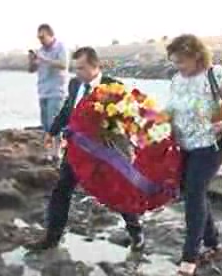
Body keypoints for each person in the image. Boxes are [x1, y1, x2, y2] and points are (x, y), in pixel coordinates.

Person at [25, 47, 145, 251]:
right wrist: (52, 131)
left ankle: (136, 232)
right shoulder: (75, 84)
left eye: (81, 68)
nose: (77, 72)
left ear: (95, 66)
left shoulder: (114, 87)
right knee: (61, 190)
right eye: (75, 68)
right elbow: (67, 109)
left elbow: (128, 118)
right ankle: (51, 238)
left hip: (104, 151)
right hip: (77, 149)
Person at [165, 34, 222, 276]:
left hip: (211, 144)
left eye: (181, 61)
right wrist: (148, 120)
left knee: (194, 192)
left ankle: (189, 257)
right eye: (174, 62)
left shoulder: (216, 74)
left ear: (196, 56)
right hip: (185, 145)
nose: (177, 66)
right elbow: (171, 109)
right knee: (192, 191)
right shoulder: (176, 79)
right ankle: (213, 243)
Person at [28, 24, 70, 164]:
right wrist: (32, 61)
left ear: (50, 35)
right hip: (43, 91)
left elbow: (64, 65)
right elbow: (31, 70)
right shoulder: (40, 50)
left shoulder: (61, 47)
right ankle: (48, 152)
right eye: (38, 37)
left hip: (57, 91)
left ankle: (57, 152)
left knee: (54, 123)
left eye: (42, 37)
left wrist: (43, 59)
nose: (40, 40)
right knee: (45, 124)